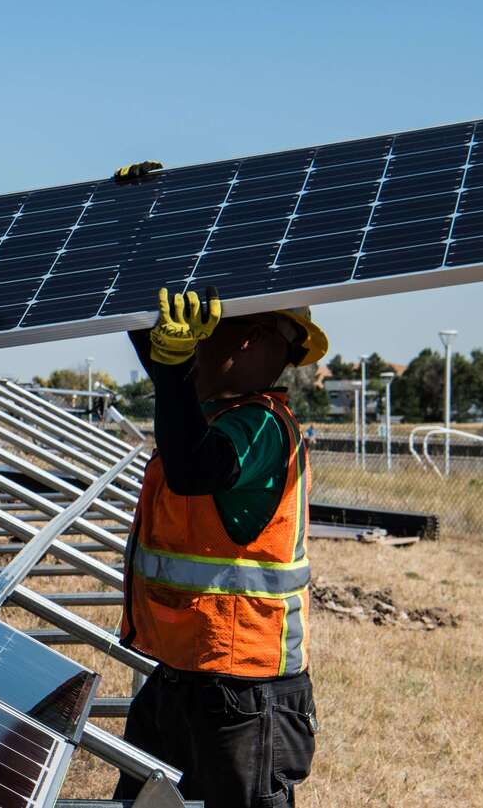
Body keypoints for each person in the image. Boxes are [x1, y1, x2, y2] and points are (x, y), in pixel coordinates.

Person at [114, 287, 328, 808]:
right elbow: (171, 385)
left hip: (242, 691)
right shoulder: (206, 415)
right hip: (184, 676)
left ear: (252, 339)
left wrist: (172, 362)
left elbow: (192, 467)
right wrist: (136, 300)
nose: (189, 348)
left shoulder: (260, 426)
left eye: (202, 336)